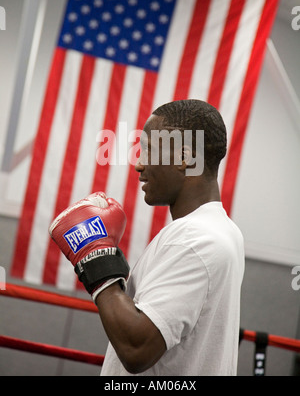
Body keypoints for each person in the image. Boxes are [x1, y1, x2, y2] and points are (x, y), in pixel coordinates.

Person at [49, 99, 245, 376]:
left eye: (149, 151)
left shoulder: (195, 239)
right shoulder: (224, 230)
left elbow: (137, 349)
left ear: (184, 158)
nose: (139, 165)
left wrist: (96, 261)